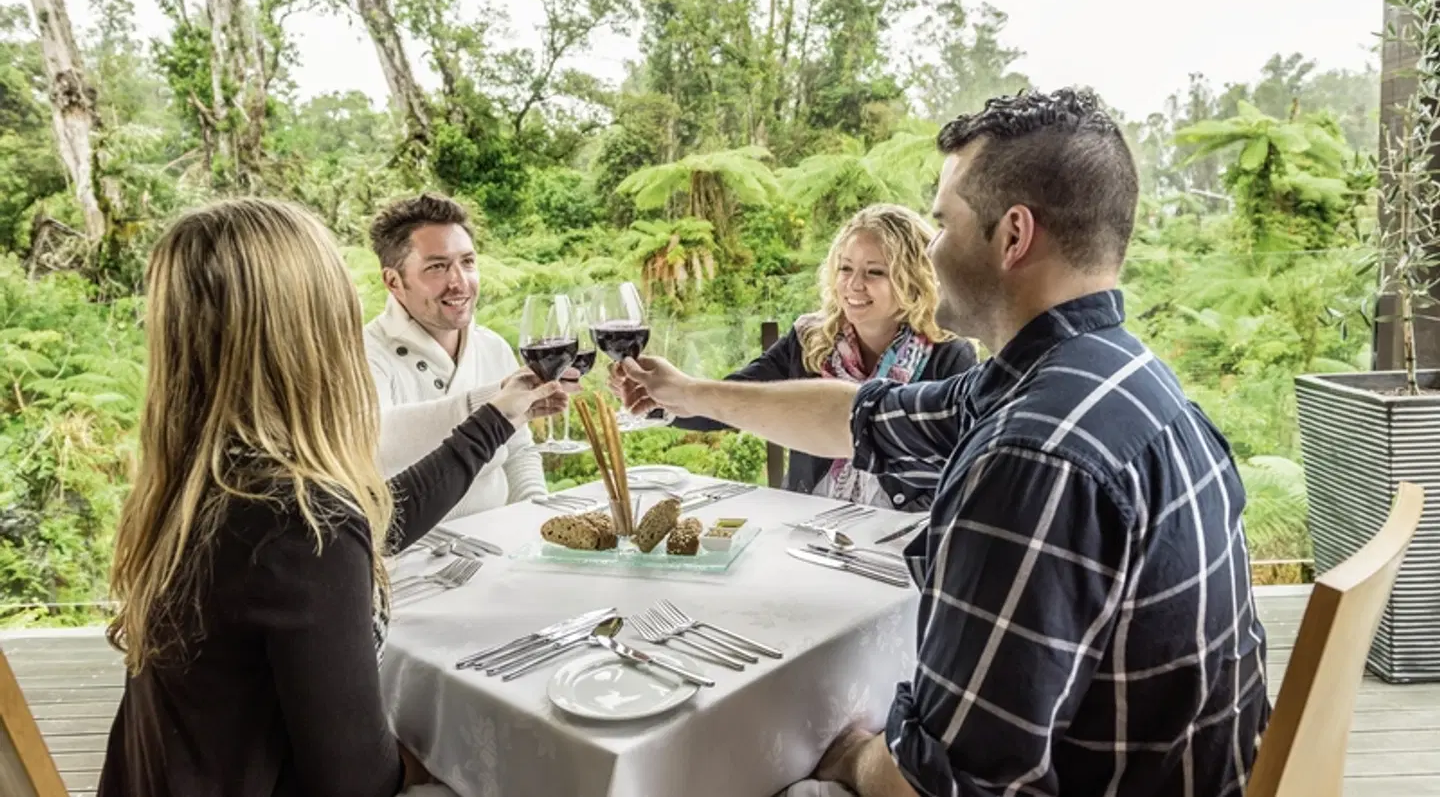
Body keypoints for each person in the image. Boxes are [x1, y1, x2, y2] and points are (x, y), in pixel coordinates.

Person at [613, 88, 1270, 796]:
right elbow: (865, 416)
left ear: (1013, 236)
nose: (930, 248)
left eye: (940, 223)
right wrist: (690, 395)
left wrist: (843, 754)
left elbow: (942, 785)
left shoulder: (1030, 457)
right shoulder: (1110, 376)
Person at [97, 198, 568, 797]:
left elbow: (372, 523)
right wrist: (424, 764)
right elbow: (357, 781)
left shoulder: (211, 480)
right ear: (308, 331)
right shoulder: (298, 524)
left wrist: (497, 419)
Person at [670, 203, 976, 512]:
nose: (854, 284)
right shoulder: (811, 340)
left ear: (913, 280)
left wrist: (890, 524)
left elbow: (960, 474)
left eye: (875, 272)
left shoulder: (949, 355)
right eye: (845, 268)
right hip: (807, 521)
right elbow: (733, 400)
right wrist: (660, 400)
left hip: (898, 530)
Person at [363, 192, 547, 521]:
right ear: (393, 281)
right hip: (410, 547)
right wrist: (494, 403)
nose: (459, 282)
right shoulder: (363, 354)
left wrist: (535, 516)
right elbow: (377, 443)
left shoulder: (492, 347)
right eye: (437, 267)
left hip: (499, 538)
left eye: (468, 262)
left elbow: (519, 450)